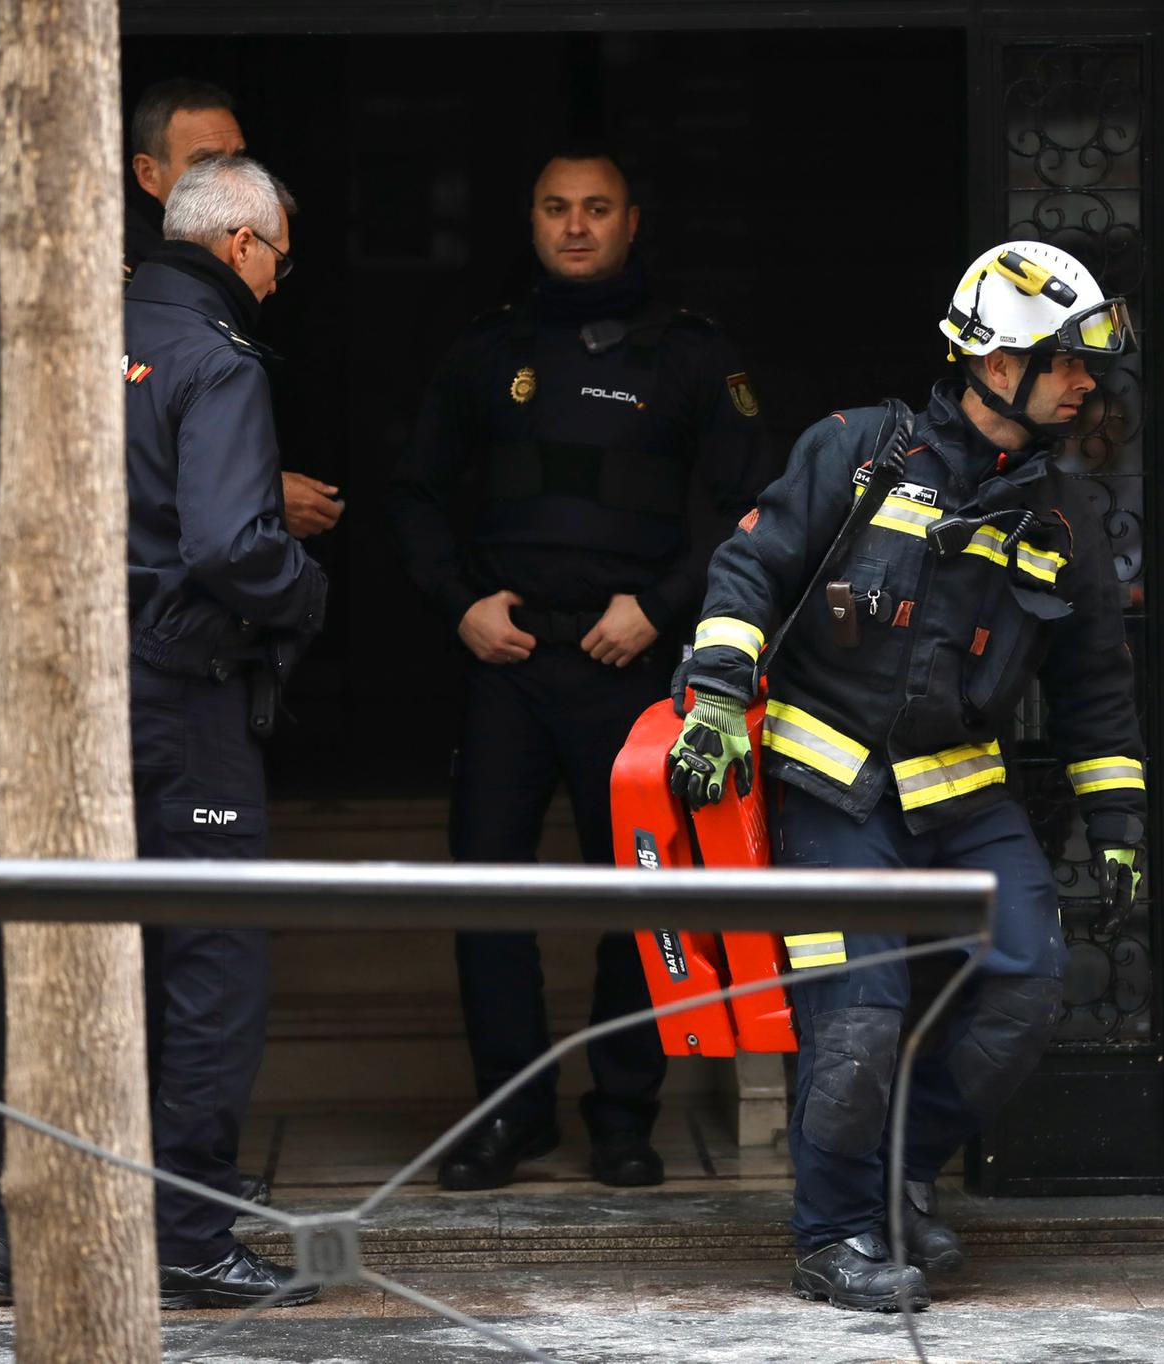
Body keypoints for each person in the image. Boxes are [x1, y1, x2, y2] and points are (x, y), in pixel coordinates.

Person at [666, 241, 1149, 1311]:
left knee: (1028, 988)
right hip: (830, 784)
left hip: (963, 794)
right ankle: (831, 1235)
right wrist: (715, 693)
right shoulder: (855, 450)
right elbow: (750, 566)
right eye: (1066, 361)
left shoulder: (1062, 512)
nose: (1085, 382)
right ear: (996, 363)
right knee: (860, 1012)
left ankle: (894, 1176)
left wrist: (1115, 820)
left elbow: (1094, 685)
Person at [0, 154, 327, 1310]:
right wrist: (306, 588)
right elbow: (230, 545)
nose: (275, 282)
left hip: (69, 692)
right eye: (277, 260)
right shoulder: (216, 360)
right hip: (183, 695)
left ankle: (23, 1233)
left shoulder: (80, 332)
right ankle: (183, 1232)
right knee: (210, 968)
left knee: (81, 963)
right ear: (240, 245)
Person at [387, 147, 773, 1191]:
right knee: (488, 891)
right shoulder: (486, 350)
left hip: (628, 665)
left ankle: (623, 1115)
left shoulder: (689, 353)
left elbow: (753, 509)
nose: (574, 225)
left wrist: (660, 607)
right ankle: (509, 1117)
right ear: (530, 219)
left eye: (596, 208)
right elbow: (414, 491)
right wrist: (458, 603)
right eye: (555, 207)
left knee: (637, 893)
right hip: (508, 661)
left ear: (631, 221)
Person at [126, 76, 342, 541]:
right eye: (204, 162)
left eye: (239, 159)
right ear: (147, 174)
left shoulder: (255, 244)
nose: (229, 176)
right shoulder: (104, 273)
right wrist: (258, 493)